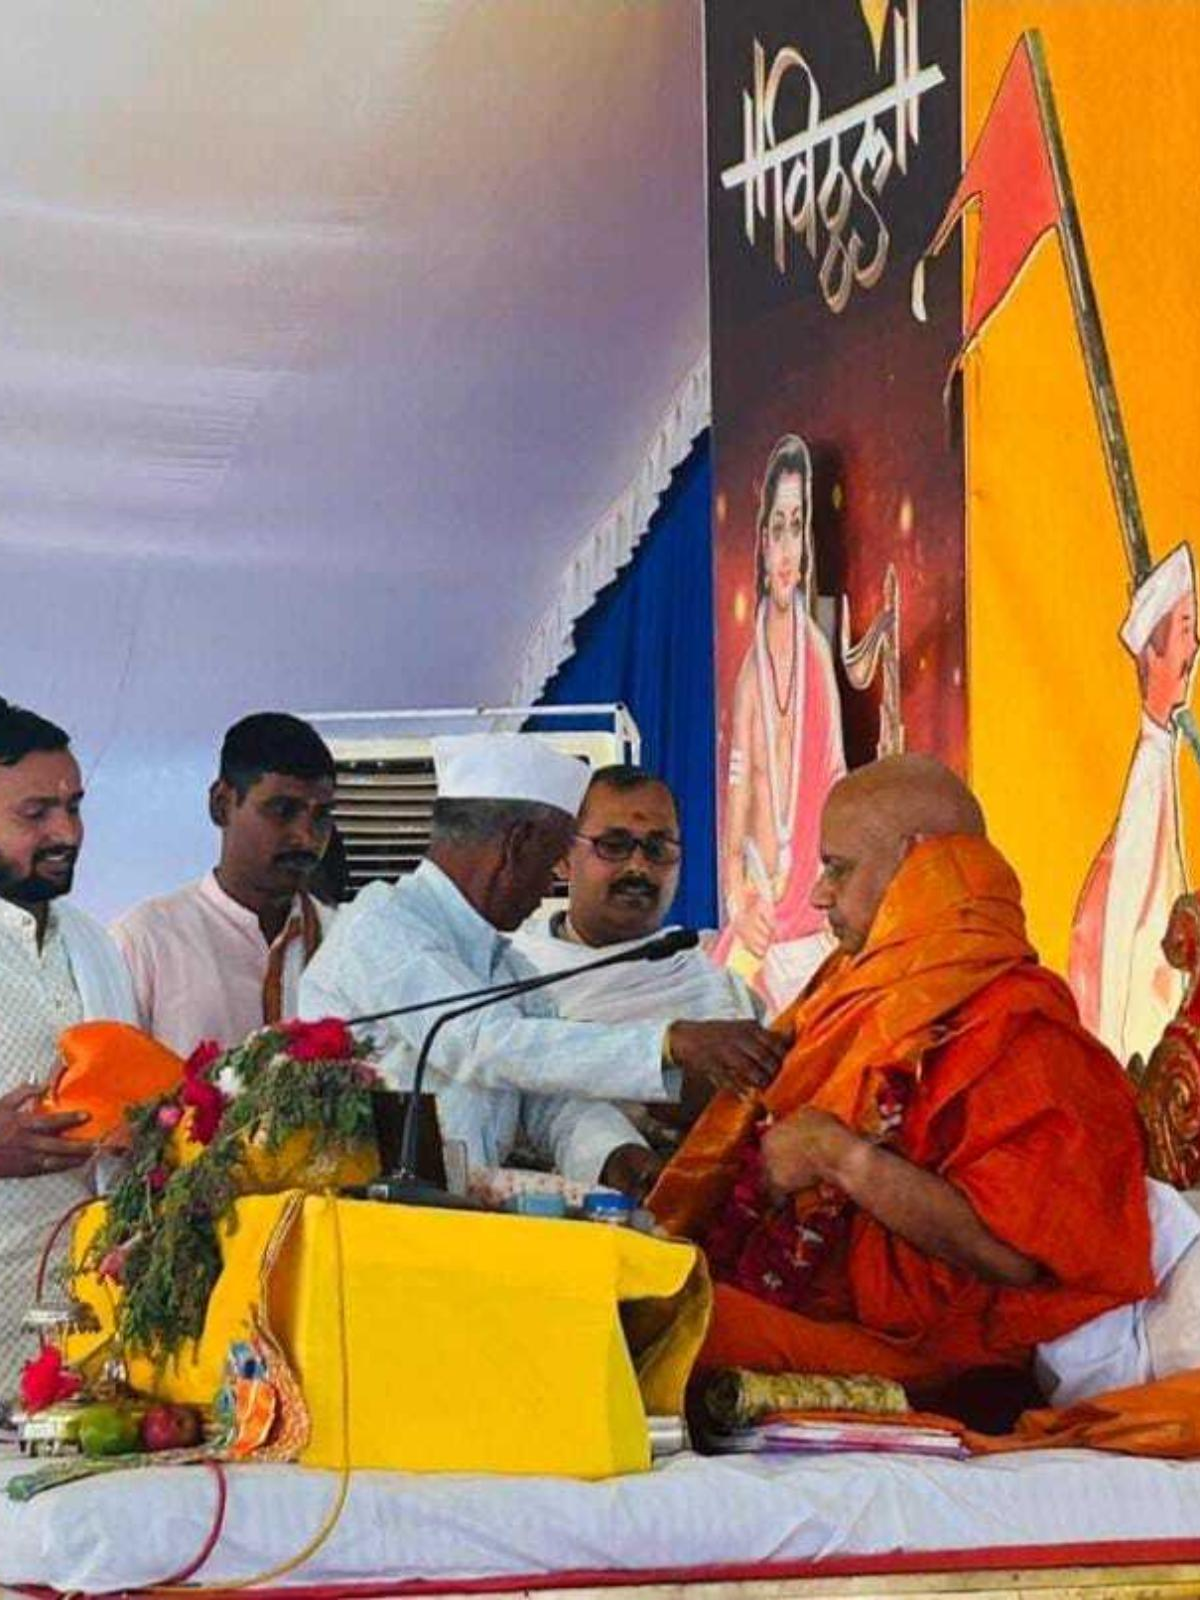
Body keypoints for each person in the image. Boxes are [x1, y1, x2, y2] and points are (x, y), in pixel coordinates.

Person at [650, 754, 1162, 1414]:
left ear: (919, 865)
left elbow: (1015, 1258)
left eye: (838, 868)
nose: (820, 895)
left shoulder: (1021, 1027)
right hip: (812, 1308)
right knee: (622, 1279)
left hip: (935, 1357)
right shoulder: (850, 992)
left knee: (654, 1323)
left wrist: (840, 1157)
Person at [300, 733, 787, 1196]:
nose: (548, 887)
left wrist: (617, 1158)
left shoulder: (504, 964)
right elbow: (479, 1042)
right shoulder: (382, 925)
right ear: (516, 847)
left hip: (454, 1223)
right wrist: (669, 1042)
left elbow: (549, 1098)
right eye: (550, 858)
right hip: (362, 1226)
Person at [513, 764, 758, 1159]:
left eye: (658, 849)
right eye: (614, 845)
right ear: (562, 857)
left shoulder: (719, 991)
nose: (639, 867)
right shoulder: (507, 974)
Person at [0, 698, 135, 1396]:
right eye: (37, 814)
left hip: (81, 1330)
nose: (68, 832)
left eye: (74, 807)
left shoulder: (92, 942)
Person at [112, 713, 338, 1057]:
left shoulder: (344, 940)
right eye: (283, 810)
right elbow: (111, 1079)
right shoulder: (146, 941)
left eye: (321, 816)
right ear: (221, 805)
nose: (306, 837)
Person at [712, 435, 845, 1015]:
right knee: (727, 1026)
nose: (787, 547)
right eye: (777, 529)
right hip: (759, 905)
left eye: (797, 527)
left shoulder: (815, 652)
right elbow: (739, 789)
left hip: (808, 907)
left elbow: (835, 775)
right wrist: (737, 896)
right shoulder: (752, 668)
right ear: (762, 542)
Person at [1070, 543, 1199, 1068]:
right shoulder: (1146, 783)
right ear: (1153, 653)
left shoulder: (1163, 758)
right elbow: (1136, 949)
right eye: (1186, 628)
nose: (1194, 647)